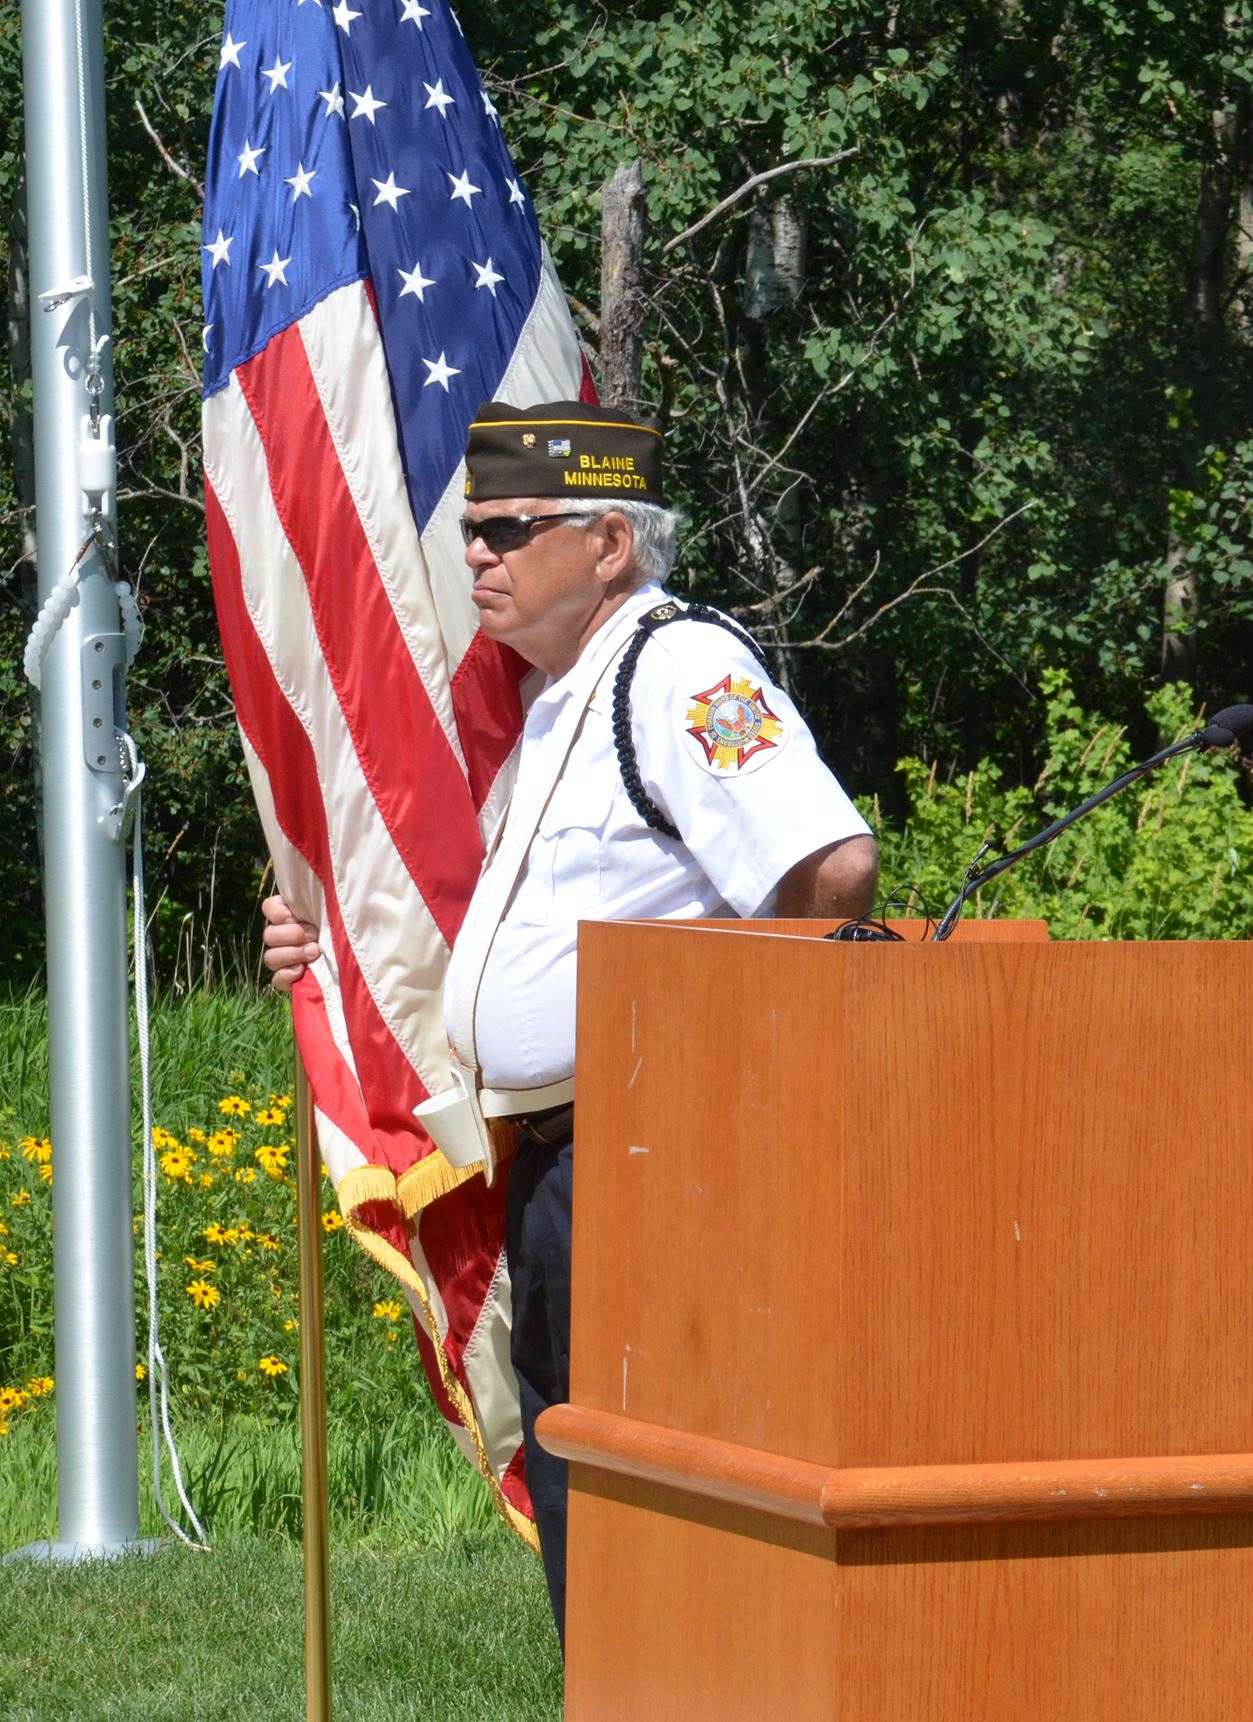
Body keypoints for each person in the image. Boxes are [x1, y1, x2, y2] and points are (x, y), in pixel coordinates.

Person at [259, 400, 877, 1639]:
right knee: (590, 1506)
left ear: (606, 544)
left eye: (507, 530)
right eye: (472, 532)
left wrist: (704, 1041)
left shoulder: (678, 667)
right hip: (565, 1163)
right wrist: (327, 949)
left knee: (653, 1524)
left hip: (656, 1160)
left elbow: (831, 872)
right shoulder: (556, 695)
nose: (477, 555)